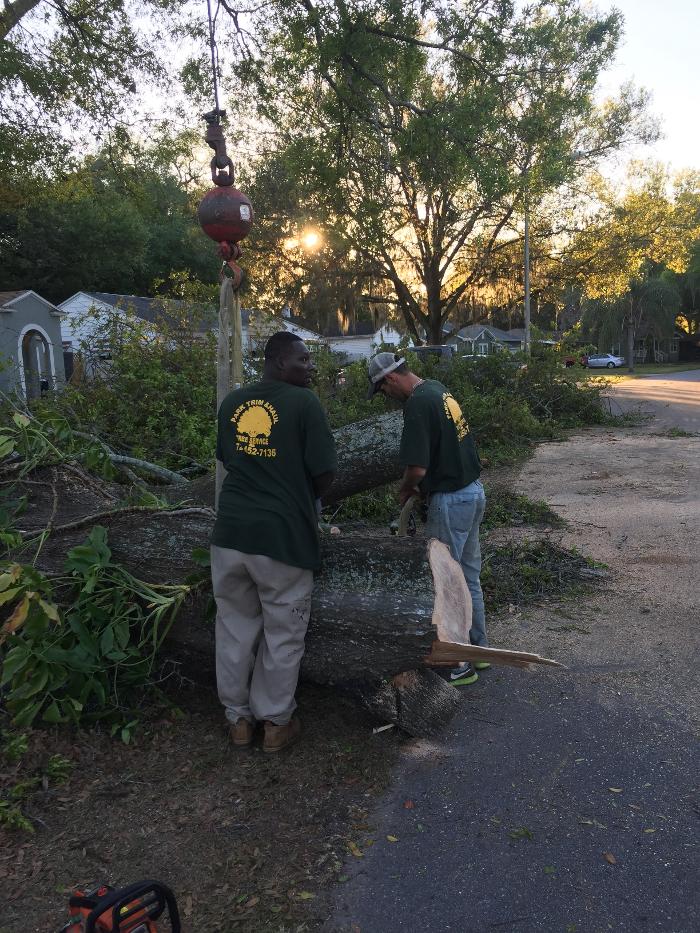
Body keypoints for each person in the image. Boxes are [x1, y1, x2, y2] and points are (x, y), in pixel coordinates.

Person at [211, 332, 337, 752]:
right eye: (303, 360)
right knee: (283, 630)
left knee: (233, 627)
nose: (310, 367)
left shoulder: (232, 402)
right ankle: (276, 723)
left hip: (230, 533)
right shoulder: (304, 403)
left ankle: (237, 719)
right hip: (281, 536)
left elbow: (228, 458)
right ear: (280, 361)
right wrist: (301, 495)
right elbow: (325, 473)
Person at [367, 351, 488, 685]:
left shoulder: (418, 404)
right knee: (468, 577)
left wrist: (407, 488)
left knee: (446, 584)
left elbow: (417, 467)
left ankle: (457, 665)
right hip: (472, 491)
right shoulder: (436, 388)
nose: (385, 396)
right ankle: (480, 650)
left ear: (390, 379)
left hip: (451, 500)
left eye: (382, 389)